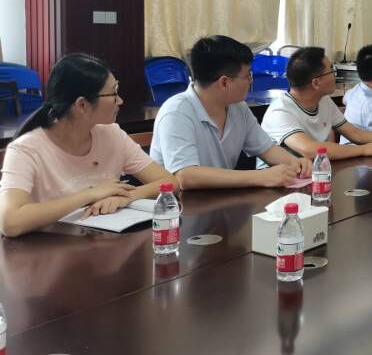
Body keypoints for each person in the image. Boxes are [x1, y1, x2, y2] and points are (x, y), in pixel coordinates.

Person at [0, 54, 176, 237]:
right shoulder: (25, 150)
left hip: (103, 245)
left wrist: (126, 197)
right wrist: (90, 194)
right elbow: (10, 222)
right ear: (82, 105)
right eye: (113, 93)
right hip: (46, 250)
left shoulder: (112, 135)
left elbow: (170, 182)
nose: (120, 101)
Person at [150, 36, 313, 189]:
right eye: (247, 75)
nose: (251, 81)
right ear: (224, 82)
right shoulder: (176, 112)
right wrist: (261, 177)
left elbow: (267, 150)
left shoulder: (238, 108)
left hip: (220, 199)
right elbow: (186, 176)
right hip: (177, 205)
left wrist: (295, 163)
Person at [261, 46, 372, 160]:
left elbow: (355, 134)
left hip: (312, 173)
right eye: (332, 70)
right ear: (316, 83)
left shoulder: (323, 100)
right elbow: (310, 149)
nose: (335, 75)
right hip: (277, 183)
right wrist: (364, 150)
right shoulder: (281, 111)